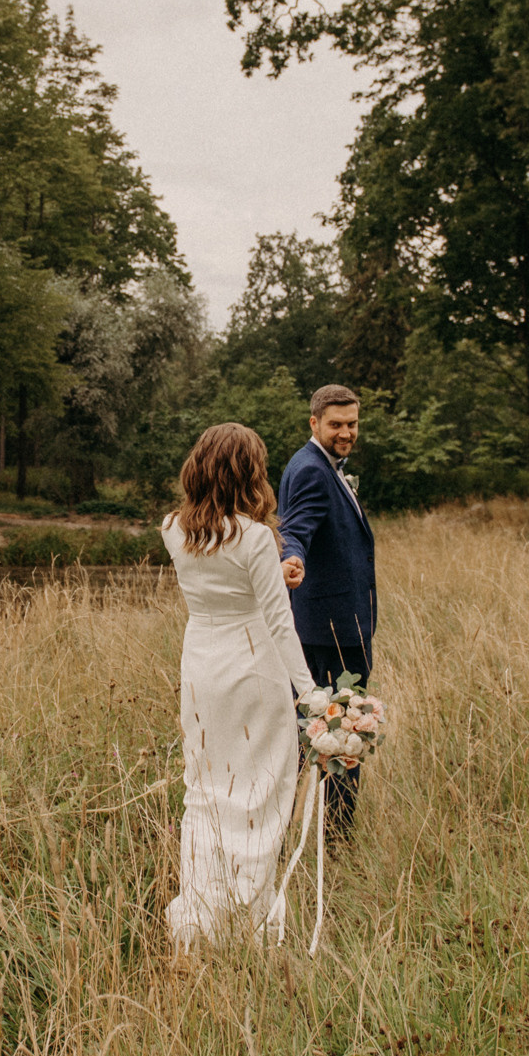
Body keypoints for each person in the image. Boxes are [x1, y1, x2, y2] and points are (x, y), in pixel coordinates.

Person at [160, 422, 317, 948]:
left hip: (201, 670)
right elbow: (279, 623)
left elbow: (218, 581)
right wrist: (311, 694)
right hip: (253, 670)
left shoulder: (172, 529)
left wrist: (274, 572)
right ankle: (246, 919)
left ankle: (199, 916)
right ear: (250, 473)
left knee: (206, 790)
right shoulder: (255, 537)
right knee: (259, 794)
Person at [277, 384, 375, 837]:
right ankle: (334, 836)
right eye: (336, 424)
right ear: (314, 422)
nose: (346, 433)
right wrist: (292, 558)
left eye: (352, 424)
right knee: (342, 733)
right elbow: (295, 528)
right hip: (331, 631)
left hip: (328, 624)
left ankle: (297, 830)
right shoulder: (312, 470)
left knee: (318, 734)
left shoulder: (319, 464)